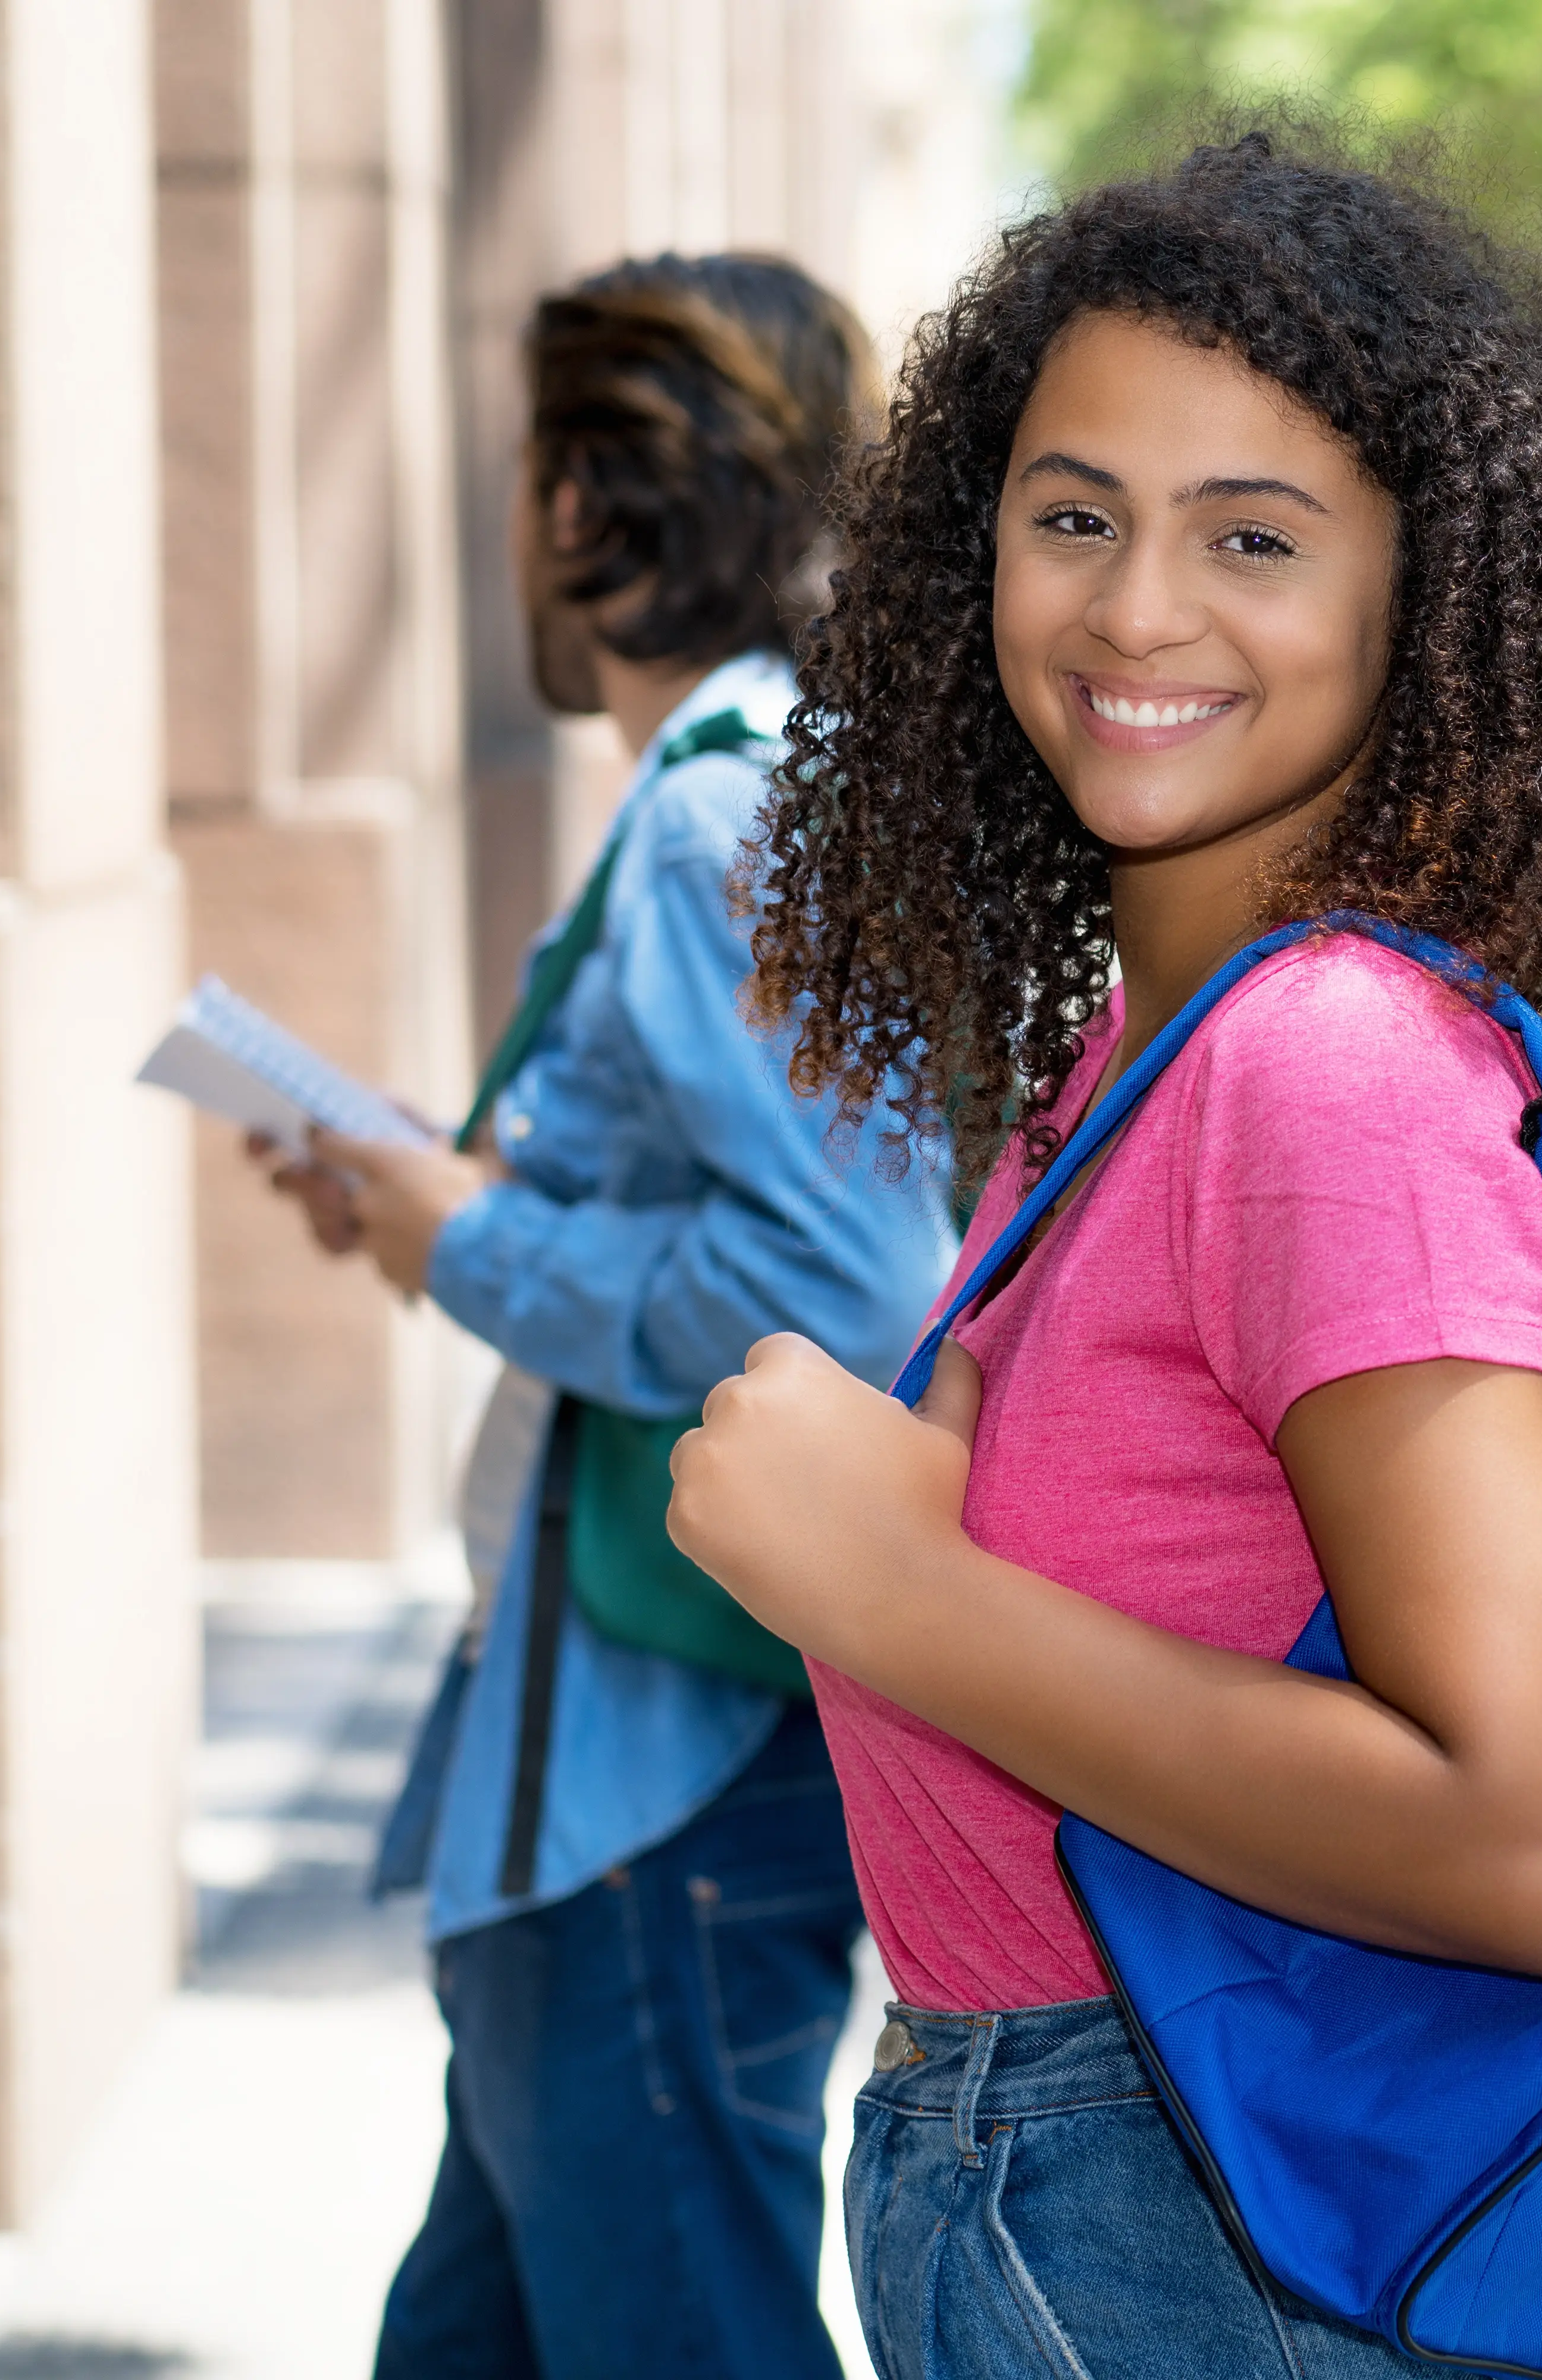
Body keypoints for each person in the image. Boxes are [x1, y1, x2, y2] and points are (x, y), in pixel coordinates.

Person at [651, 133, 1542, 2376]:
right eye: (1072, 514)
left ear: (1422, 598)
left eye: (1252, 539)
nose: (1135, 611)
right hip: (1097, 2196)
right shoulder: (1150, 1054)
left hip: (1190, 2229)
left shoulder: (1325, 1073)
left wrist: (888, 1588)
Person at [258, 255, 958, 2376]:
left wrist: (464, 1244)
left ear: (582, 511)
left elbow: (841, 1281)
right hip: (642, 1747)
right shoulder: (781, 788)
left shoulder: (716, 816)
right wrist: (454, 1194)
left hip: (661, 1775)